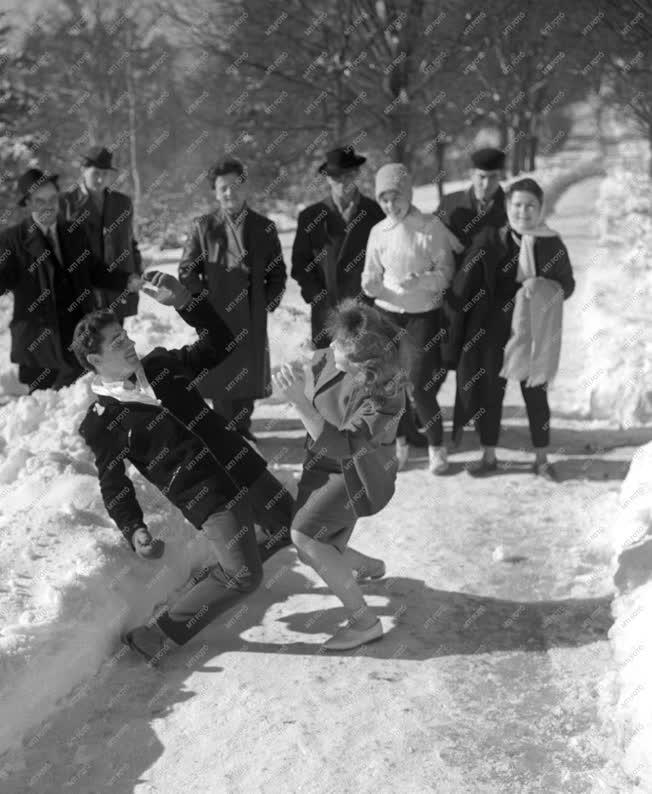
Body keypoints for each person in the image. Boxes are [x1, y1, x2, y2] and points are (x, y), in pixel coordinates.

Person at [74, 271, 294, 664]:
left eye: (126, 336)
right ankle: (155, 635)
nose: (130, 344)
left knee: (290, 525)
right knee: (244, 576)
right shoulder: (101, 421)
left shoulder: (161, 365)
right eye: (117, 342)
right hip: (205, 495)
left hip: (240, 462)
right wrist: (134, 529)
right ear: (95, 359)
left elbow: (221, 343)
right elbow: (114, 484)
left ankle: (220, 569)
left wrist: (185, 302)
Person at [272, 300, 406, 651]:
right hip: (321, 463)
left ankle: (365, 622)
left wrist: (299, 403)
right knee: (314, 543)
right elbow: (311, 362)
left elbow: (345, 445)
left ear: (366, 366)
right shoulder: (333, 357)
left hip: (358, 473)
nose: (330, 347)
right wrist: (294, 373)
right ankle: (365, 566)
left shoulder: (387, 397)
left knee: (305, 538)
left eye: (340, 346)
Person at [446, 178, 575, 480]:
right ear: (507, 207)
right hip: (495, 332)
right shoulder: (491, 239)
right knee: (491, 394)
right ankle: (488, 455)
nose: (523, 211)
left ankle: (542, 460)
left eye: (530, 205)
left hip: (534, 334)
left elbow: (567, 285)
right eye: (517, 205)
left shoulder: (551, 243)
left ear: (540, 208)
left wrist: (543, 285)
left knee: (536, 395)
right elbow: (466, 281)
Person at [361, 163, 463, 474]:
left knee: (419, 385)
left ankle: (436, 447)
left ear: (408, 193)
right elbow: (371, 271)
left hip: (421, 317)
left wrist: (420, 281)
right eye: (384, 199)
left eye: (396, 197)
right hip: (386, 314)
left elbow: (446, 274)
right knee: (392, 384)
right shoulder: (377, 232)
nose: (391, 205)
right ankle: (401, 444)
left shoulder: (430, 228)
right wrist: (370, 284)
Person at [178, 156, 286, 443]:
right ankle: (227, 435)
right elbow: (187, 271)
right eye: (222, 188)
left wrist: (266, 303)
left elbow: (277, 273)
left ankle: (241, 427)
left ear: (244, 186)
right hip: (217, 315)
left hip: (251, 314)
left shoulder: (264, 227)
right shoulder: (203, 227)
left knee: (247, 374)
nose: (229, 193)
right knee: (221, 374)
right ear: (215, 191)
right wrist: (202, 303)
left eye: (235, 185)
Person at [0, 168, 137, 392]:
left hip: (79, 342)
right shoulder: (12, 240)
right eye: (40, 200)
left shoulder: (74, 231)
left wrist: (126, 280)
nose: (48, 205)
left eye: (53, 198)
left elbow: (94, 271)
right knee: (46, 415)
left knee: (83, 404)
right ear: (28, 203)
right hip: (41, 347)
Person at [435, 147, 508, 445]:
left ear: (500, 176)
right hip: (453, 302)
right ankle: (421, 424)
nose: (485, 184)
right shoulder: (451, 205)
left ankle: (484, 430)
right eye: (480, 177)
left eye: (492, 178)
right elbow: (431, 247)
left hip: (493, 305)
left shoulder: (509, 209)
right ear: (471, 174)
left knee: (489, 371)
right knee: (441, 364)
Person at [291, 145, 385, 350]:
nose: (343, 182)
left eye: (348, 175)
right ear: (327, 178)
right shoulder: (310, 217)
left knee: (366, 375)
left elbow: (386, 261)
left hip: (366, 312)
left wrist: (372, 297)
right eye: (336, 177)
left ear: (357, 173)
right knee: (328, 376)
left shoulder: (376, 213)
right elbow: (300, 265)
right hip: (327, 315)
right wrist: (319, 298)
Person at [61, 146, 143, 323]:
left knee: (115, 343)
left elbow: (131, 243)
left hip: (117, 289)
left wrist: (136, 273)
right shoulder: (66, 203)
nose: (100, 179)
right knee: (86, 345)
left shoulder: (122, 203)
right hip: (83, 293)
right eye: (96, 173)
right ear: (83, 170)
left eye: (105, 174)